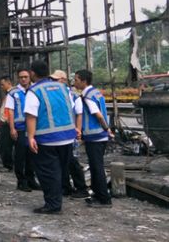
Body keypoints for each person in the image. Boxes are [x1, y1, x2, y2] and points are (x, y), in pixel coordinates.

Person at [25, 60, 78, 214]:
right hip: (67, 136)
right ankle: (57, 199)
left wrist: (30, 137)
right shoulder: (64, 88)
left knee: (48, 172)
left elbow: (31, 116)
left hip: (47, 138)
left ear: (32, 73)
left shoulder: (34, 91)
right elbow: (71, 108)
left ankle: (53, 204)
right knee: (61, 171)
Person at [73, 69, 113, 206]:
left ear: (84, 81)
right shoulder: (96, 93)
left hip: (95, 136)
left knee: (97, 168)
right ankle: (98, 195)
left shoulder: (88, 96)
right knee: (96, 166)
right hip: (97, 136)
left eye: (76, 79)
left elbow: (98, 115)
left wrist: (107, 129)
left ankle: (104, 199)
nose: (74, 82)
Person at [50, 70, 88, 199]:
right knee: (62, 162)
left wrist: (77, 131)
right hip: (58, 134)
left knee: (72, 161)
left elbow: (79, 114)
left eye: (57, 80)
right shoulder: (54, 94)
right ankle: (65, 187)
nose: (54, 82)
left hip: (69, 134)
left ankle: (81, 187)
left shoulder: (72, 95)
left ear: (64, 80)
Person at [5, 70, 40, 192]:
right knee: (20, 156)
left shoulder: (34, 90)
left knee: (32, 155)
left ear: (30, 77)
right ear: (18, 78)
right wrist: (12, 128)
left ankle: (31, 180)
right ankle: (21, 181)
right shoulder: (13, 93)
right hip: (19, 128)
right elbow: (10, 111)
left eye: (25, 77)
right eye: (21, 77)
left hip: (33, 128)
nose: (23, 79)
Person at [0, 76, 15, 170]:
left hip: (8, 123)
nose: (1, 87)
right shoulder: (9, 95)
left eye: (3, 85)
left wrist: (8, 122)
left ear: (9, 83)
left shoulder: (11, 94)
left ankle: (8, 165)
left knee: (6, 145)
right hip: (7, 122)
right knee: (6, 145)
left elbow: (10, 110)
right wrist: (0, 110)